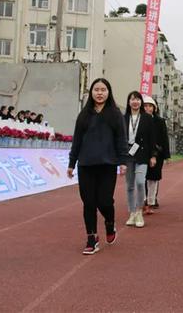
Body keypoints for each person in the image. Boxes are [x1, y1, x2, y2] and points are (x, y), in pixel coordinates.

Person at [67, 78, 128, 254]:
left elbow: (121, 140)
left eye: (103, 90)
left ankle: (110, 223)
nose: (100, 93)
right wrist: (72, 163)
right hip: (86, 165)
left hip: (107, 165)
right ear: (91, 93)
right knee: (88, 203)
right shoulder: (84, 115)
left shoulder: (115, 114)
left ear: (108, 92)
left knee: (105, 201)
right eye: (96, 90)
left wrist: (123, 161)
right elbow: (77, 141)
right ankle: (91, 238)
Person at [124, 91, 157, 228]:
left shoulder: (147, 118)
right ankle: (132, 212)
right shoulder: (123, 118)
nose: (135, 102)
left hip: (142, 154)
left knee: (139, 182)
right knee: (130, 185)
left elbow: (152, 138)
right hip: (127, 155)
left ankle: (139, 211)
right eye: (132, 99)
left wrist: (153, 155)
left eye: (137, 99)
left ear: (141, 102)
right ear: (129, 102)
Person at [143, 96, 170, 213]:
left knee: (154, 177)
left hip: (157, 153)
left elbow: (164, 138)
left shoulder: (160, 121)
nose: (148, 108)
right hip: (142, 153)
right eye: (145, 106)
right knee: (143, 177)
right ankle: (144, 199)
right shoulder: (139, 119)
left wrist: (166, 155)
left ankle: (152, 199)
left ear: (155, 108)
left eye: (150, 106)